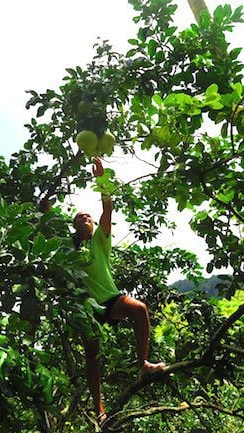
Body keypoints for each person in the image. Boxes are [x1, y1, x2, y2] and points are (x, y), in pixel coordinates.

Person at [72, 157, 166, 425]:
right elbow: (46, 233)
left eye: (88, 216)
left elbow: (107, 209)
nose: (86, 217)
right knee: (92, 356)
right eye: (80, 217)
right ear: (75, 226)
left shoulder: (100, 241)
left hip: (110, 299)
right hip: (86, 308)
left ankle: (143, 364)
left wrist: (102, 180)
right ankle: (98, 409)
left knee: (139, 309)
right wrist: (44, 211)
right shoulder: (69, 247)